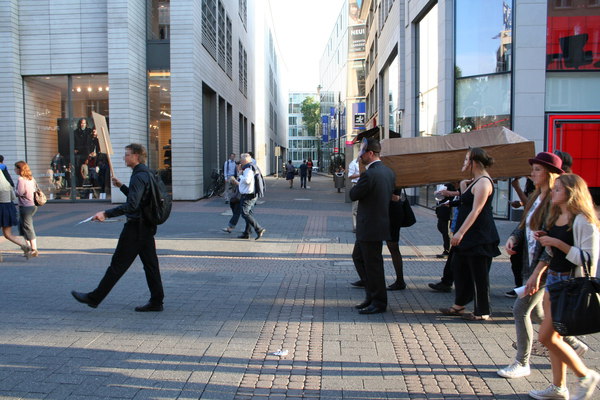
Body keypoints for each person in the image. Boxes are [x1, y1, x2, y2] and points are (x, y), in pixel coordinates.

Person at [497, 152, 587, 379]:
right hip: (530, 262)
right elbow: (524, 224)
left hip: (545, 268)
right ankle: (573, 344)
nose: (532, 173)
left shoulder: (555, 202)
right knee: (538, 313)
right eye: (533, 168)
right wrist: (513, 238)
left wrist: (537, 273)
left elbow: (553, 242)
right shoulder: (537, 195)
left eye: (537, 169)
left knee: (520, 309)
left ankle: (522, 362)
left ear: (551, 174)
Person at [527, 174, 600, 400]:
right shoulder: (557, 215)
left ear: (571, 192)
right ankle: (558, 388)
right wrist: (547, 240)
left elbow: (588, 259)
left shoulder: (584, 220)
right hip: (554, 280)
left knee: (546, 337)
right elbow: (555, 253)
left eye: (558, 189)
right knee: (554, 339)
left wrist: (557, 243)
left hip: (570, 283)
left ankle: (585, 375)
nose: (553, 192)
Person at [71, 143, 164, 312]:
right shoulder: (146, 173)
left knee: (117, 265)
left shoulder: (138, 176)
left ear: (136, 156)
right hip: (147, 227)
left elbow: (133, 205)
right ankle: (157, 301)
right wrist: (121, 186)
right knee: (151, 265)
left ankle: (94, 297)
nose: (124, 157)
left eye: (127, 154)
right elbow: (140, 199)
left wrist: (106, 214)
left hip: (136, 228)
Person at [439, 147, 500, 321]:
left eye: (466, 160)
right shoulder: (474, 181)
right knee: (459, 268)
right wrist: (464, 185)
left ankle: (482, 311)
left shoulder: (484, 183)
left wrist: (459, 233)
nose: (464, 163)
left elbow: (476, 210)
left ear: (474, 162)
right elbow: (465, 200)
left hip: (479, 236)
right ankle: (459, 305)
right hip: (469, 236)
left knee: (479, 274)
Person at [350, 138, 395, 314]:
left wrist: (359, 180)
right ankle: (371, 296)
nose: (360, 157)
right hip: (377, 224)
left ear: (370, 153)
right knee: (360, 258)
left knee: (373, 265)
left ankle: (379, 301)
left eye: (362, 153)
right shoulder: (388, 172)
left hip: (369, 226)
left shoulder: (369, 174)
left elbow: (354, 194)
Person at [0, 170, 31, 257]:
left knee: (7, 234)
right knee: (8, 234)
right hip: (8, 208)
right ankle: (24, 245)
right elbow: (13, 197)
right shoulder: (7, 184)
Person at [237, 153, 266, 240]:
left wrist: (239, 174)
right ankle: (247, 233)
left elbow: (247, 181)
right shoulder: (252, 167)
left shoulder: (248, 169)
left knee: (244, 213)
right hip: (252, 194)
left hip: (248, 195)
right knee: (248, 213)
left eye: (241, 160)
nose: (240, 162)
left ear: (244, 161)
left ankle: (258, 229)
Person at [14, 161, 38, 257]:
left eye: (16, 168)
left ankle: (33, 249)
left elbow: (19, 192)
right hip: (32, 205)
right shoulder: (31, 178)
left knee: (27, 227)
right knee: (23, 227)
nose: (15, 170)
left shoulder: (21, 179)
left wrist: (13, 191)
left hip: (25, 206)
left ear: (20, 169)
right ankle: (28, 248)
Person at [387, 188, 406, 291]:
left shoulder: (394, 176)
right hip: (387, 214)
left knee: (393, 247)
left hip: (392, 214)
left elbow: (396, 198)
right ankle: (366, 278)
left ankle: (400, 281)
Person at [435, 182, 457, 258]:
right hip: (440, 211)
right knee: (440, 227)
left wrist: (446, 195)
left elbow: (454, 196)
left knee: (446, 231)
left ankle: (447, 250)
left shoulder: (450, 184)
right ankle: (448, 247)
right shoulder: (442, 184)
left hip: (446, 211)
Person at [73, 118, 92, 187]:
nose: (83, 125)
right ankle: (80, 185)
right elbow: (73, 143)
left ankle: (87, 185)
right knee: (79, 170)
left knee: (87, 170)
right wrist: (76, 149)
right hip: (79, 154)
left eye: (84, 123)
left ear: (86, 124)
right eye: (81, 123)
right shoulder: (75, 132)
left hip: (86, 154)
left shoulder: (89, 131)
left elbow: (89, 144)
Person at [348, 156, 361, 234]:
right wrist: (360, 175)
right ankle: (355, 226)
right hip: (356, 185)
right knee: (355, 208)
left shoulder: (368, 163)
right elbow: (350, 176)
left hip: (366, 185)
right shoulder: (354, 163)